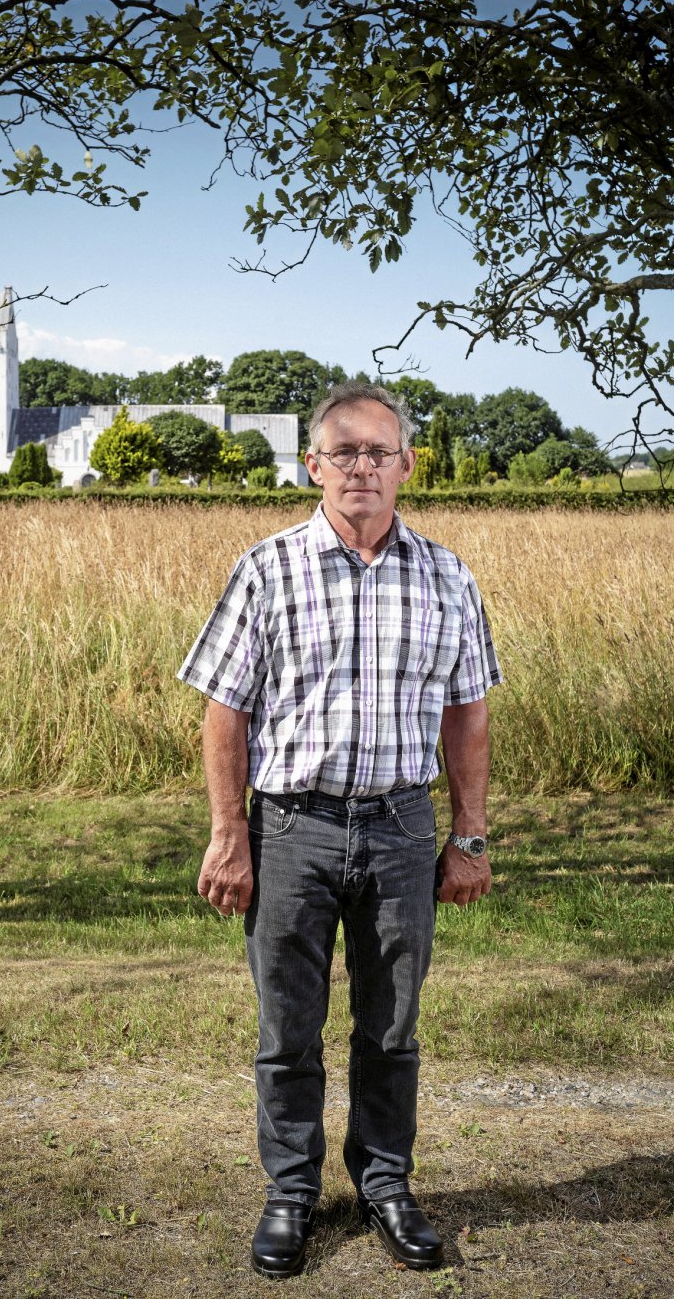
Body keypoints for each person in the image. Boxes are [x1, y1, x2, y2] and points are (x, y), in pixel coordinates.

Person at [177, 382, 502, 1279]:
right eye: (345, 451)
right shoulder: (265, 568)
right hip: (291, 829)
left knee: (391, 1027)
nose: (364, 466)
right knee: (288, 1029)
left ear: (405, 467)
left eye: (380, 451)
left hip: (401, 826)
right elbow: (224, 711)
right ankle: (290, 1193)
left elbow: (467, 714)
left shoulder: (447, 575)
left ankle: (386, 1185)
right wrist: (227, 833)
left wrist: (468, 837)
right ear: (312, 465)